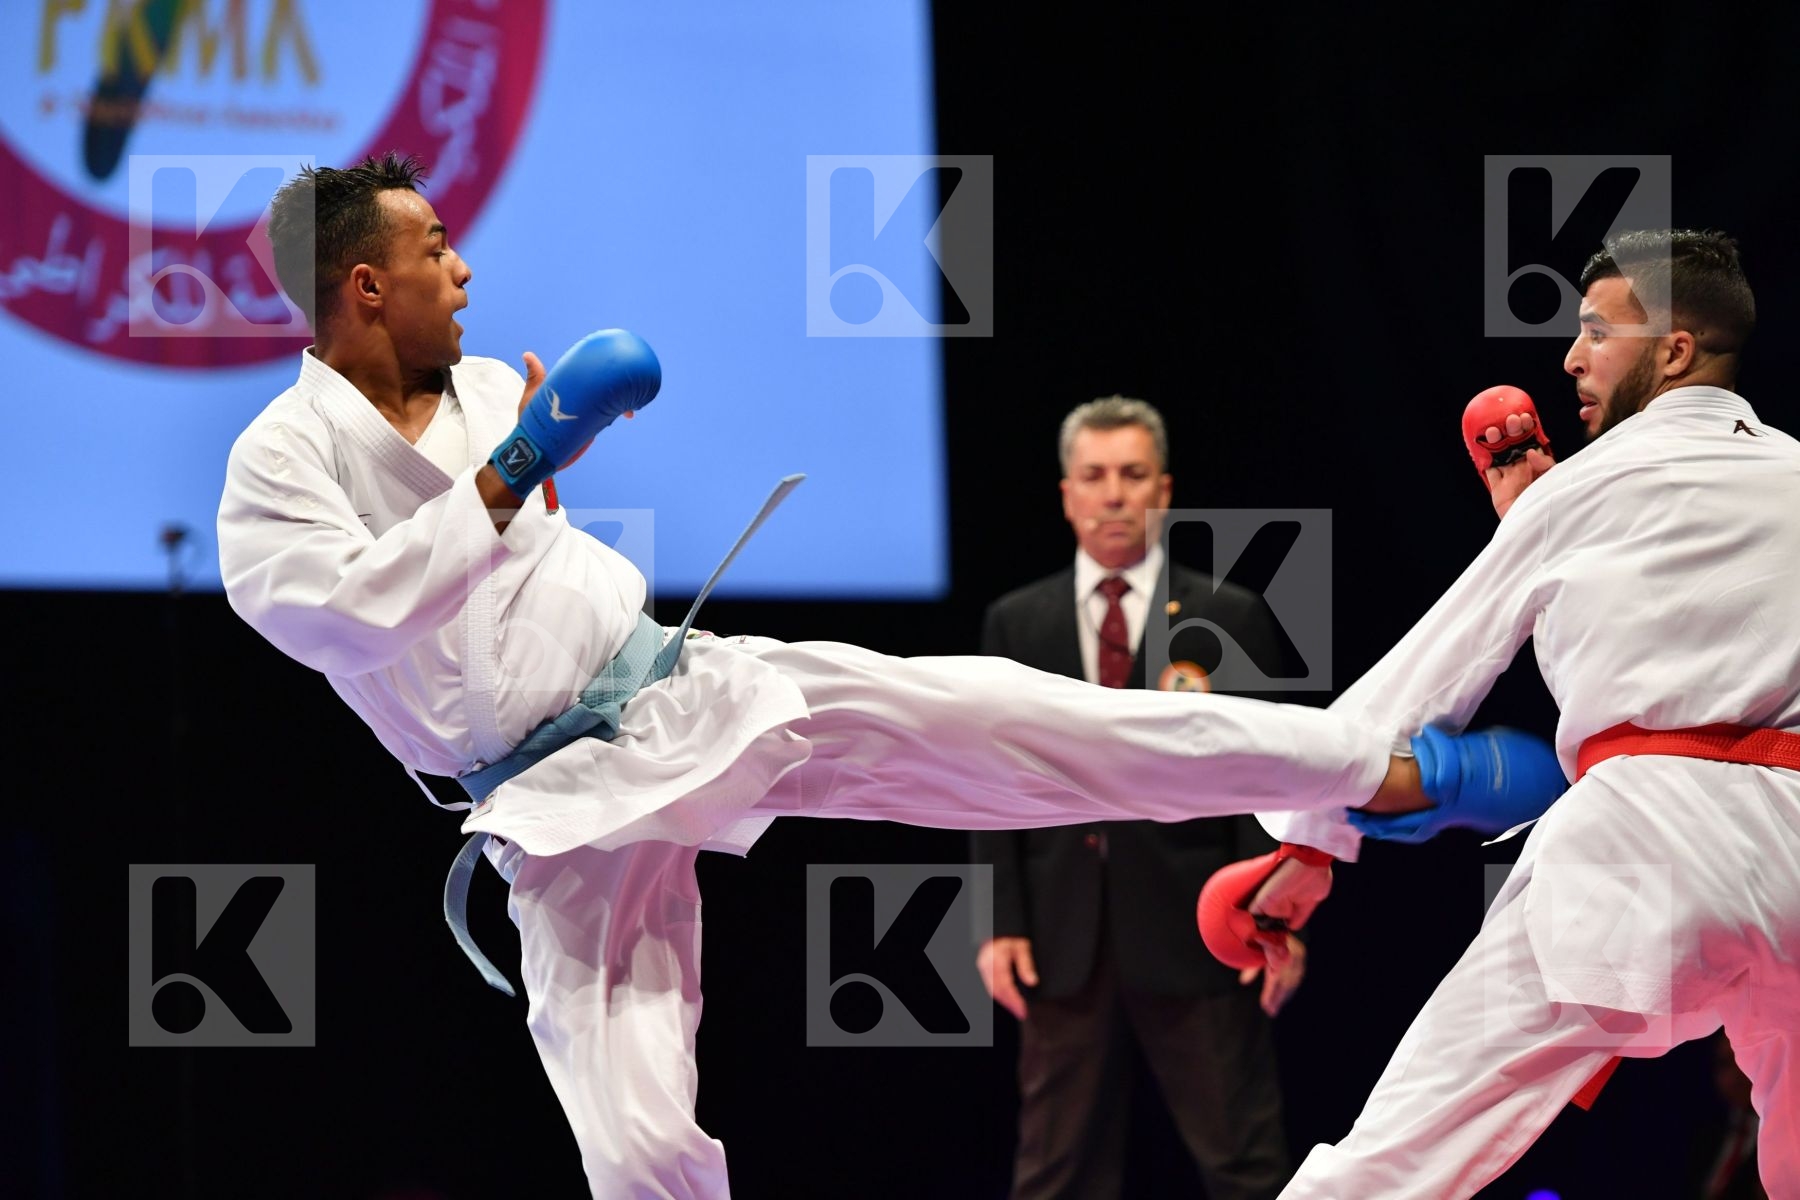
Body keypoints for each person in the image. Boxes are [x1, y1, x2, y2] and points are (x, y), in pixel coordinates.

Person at [216, 154, 1522, 1199]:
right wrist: (519, 470)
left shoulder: (493, 389)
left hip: (689, 694)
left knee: (1040, 724)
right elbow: (348, 618)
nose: (463, 266)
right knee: (635, 1151)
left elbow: (516, 538)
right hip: (556, 819)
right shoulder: (277, 469)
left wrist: (530, 453)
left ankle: (1381, 767)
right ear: (364, 286)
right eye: (435, 247)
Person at [1242, 229, 1800, 1198]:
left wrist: (1309, 842)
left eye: (1598, 332)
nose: (1573, 358)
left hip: (1640, 855)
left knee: (1398, 1161)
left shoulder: (1581, 488)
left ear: (1674, 351)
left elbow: (1421, 682)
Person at [973, 396, 1303, 1199]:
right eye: (1094, 476)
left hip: (1202, 929)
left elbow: (1266, 782)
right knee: (1054, 1175)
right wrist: (1000, 919)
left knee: (1245, 1165)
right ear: (1067, 495)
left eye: (1132, 474)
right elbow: (993, 781)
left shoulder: (1228, 615)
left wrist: (1272, 915)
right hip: (1060, 936)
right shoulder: (1016, 622)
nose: (1114, 494)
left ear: (1164, 489)